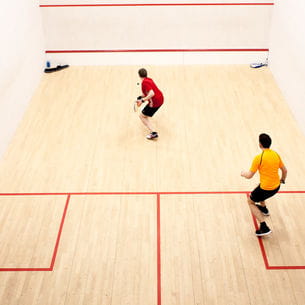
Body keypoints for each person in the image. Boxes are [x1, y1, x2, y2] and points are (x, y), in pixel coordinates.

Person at [241, 133, 287, 236]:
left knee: (250, 201)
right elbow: (285, 170)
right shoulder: (276, 154)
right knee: (259, 186)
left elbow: (249, 176)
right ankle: (264, 208)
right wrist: (282, 180)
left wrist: (243, 173)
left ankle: (264, 226)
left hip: (266, 189)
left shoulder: (259, 158)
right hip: (276, 186)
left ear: (260, 144)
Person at [136, 68, 164, 139]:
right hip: (161, 98)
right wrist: (140, 97)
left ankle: (153, 133)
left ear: (139, 75)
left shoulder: (144, 83)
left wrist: (142, 101)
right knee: (145, 115)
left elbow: (152, 93)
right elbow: (147, 92)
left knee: (142, 116)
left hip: (155, 103)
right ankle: (151, 127)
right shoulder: (149, 79)